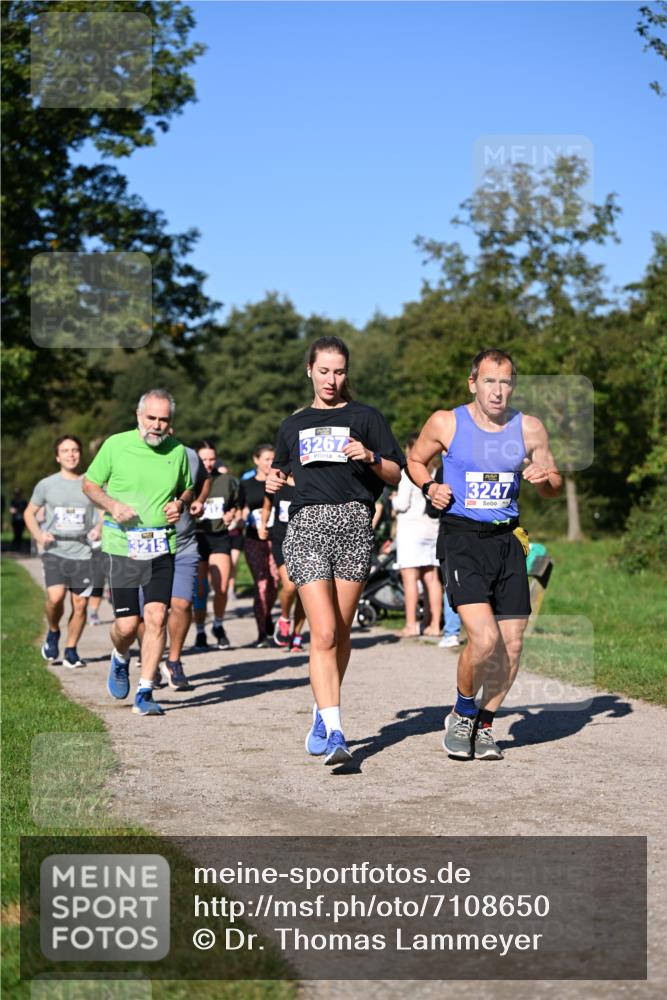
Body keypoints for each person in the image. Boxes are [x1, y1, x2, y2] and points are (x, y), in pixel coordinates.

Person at [407, 349, 562, 761]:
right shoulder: (446, 421)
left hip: (507, 539)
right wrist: (428, 487)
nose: (498, 390)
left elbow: (554, 481)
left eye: (506, 381)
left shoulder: (529, 428)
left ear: (514, 385)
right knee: (485, 637)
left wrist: (545, 478)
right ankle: (462, 711)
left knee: (511, 644)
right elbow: (415, 460)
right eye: (489, 381)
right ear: (472, 383)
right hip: (461, 538)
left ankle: (486, 723)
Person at [267, 335, 404, 765]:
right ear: (309, 370)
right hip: (307, 527)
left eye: (339, 371)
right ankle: (338, 733)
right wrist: (273, 484)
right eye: (324, 370)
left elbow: (397, 473)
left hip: (354, 527)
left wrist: (369, 455)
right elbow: (277, 475)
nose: (331, 379)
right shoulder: (293, 425)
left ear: (347, 373)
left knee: (341, 635)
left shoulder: (366, 417)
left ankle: (321, 711)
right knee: (323, 632)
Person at [82, 389, 194, 717]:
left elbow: (187, 486)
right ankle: (120, 657)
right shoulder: (116, 445)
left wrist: (180, 503)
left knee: (158, 616)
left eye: (164, 420)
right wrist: (113, 505)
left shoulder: (178, 452)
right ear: (138, 415)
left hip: (162, 546)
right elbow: (89, 484)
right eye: (151, 418)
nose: (157, 426)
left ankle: (144, 692)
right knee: (128, 626)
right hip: (123, 547)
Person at [24, 435, 99, 667]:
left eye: (75, 450)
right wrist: (38, 534)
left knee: (81, 604)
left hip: (83, 551)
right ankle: (54, 630)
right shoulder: (47, 485)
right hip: (55, 549)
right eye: (65, 451)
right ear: (58, 456)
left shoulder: (90, 483)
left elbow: (105, 513)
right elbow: (29, 513)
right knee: (56, 598)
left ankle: (71, 650)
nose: (71, 454)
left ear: (80, 454)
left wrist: (99, 529)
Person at [158, 435, 210, 687]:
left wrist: (199, 501)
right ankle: (150, 658)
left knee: (182, 603)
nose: (158, 427)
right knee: (149, 614)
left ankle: (174, 660)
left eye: (164, 421)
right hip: (146, 544)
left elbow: (205, 480)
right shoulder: (130, 454)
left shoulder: (189, 454)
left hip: (184, 543)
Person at [391, 434, 442, 639]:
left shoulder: (408, 472)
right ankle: (434, 625)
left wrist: (393, 501)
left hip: (411, 529)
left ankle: (412, 625)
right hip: (432, 528)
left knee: (410, 578)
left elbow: (402, 504)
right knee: (431, 578)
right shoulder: (436, 471)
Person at [193, 441, 239, 650]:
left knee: (221, 587)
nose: (209, 463)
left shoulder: (226, 481)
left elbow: (236, 507)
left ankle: (218, 626)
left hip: (220, 536)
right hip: (196, 537)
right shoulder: (188, 481)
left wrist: (232, 515)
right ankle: (200, 630)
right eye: (204, 459)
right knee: (200, 590)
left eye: (212, 459)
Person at [239, 445, 280, 648]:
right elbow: (241, 508)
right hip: (253, 539)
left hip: (277, 538)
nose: (269, 463)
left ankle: (268, 614)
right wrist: (241, 517)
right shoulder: (246, 484)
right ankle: (263, 632)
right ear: (256, 460)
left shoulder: (279, 482)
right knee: (262, 584)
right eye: (266, 459)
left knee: (276, 580)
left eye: (273, 459)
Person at [259, 479, 306, 652]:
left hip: (306, 543)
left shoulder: (310, 480)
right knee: (290, 585)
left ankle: (297, 635)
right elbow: (267, 505)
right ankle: (284, 618)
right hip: (281, 540)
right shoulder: (277, 482)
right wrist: (262, 525)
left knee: (305, 592)